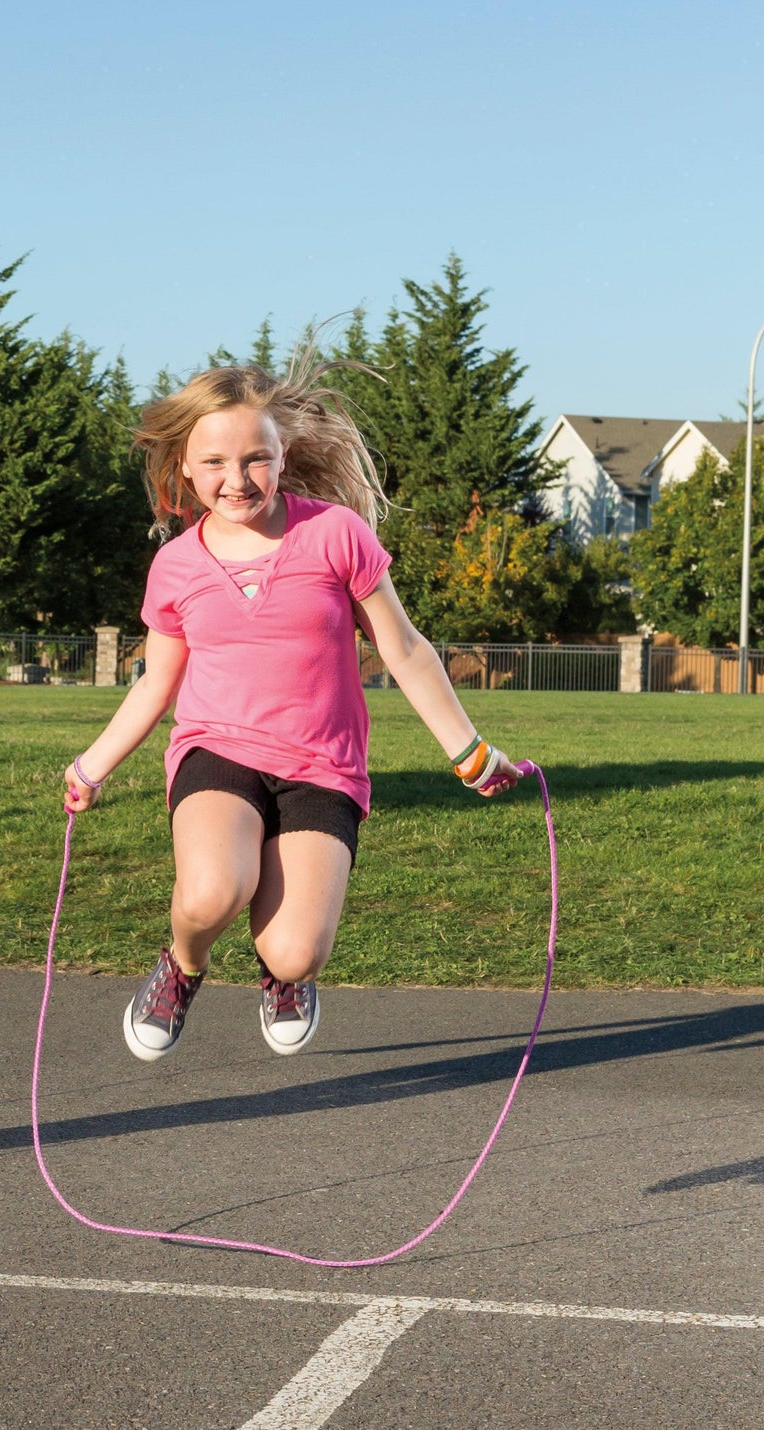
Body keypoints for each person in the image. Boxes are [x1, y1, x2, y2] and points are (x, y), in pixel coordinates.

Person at [63, 355, 520, 1063]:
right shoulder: (175, 566)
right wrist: (92, 767)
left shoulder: (336, 534)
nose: (237, 479)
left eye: (256, 458)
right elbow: (154, 685)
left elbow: (405, 649)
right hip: (218, 750)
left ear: (284, 454)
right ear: (184, 466)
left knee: (297, 951)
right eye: (214, 462)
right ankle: (183, 965)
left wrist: (470, 752)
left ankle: (281, 976)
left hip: (323, 767)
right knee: (212, 894)